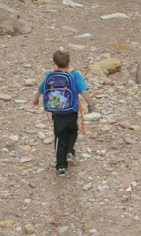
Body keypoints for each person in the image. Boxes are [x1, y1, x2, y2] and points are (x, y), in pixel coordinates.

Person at [33, 47, 95, 175]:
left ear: (54, 61)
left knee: (60, 137)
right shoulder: (74, 74)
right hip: (71, 111)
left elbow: (41, 88)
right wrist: (90, 104)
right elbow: (84, 91)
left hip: (57, 112)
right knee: (73, 132)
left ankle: (61, 166)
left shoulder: (50, 74)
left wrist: (35, 100)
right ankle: (69, 152)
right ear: (69, 60)